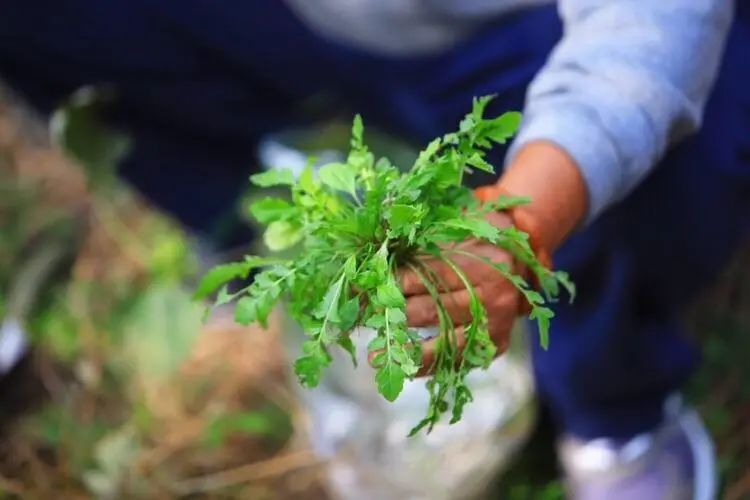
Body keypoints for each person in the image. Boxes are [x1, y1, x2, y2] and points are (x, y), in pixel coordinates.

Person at [1, 1, 748, 498]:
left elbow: (651, 28)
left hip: (524, 26)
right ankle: (267, 224)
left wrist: (523, 222)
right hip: (289, 22)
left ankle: (612, 405)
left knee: (654, 152)